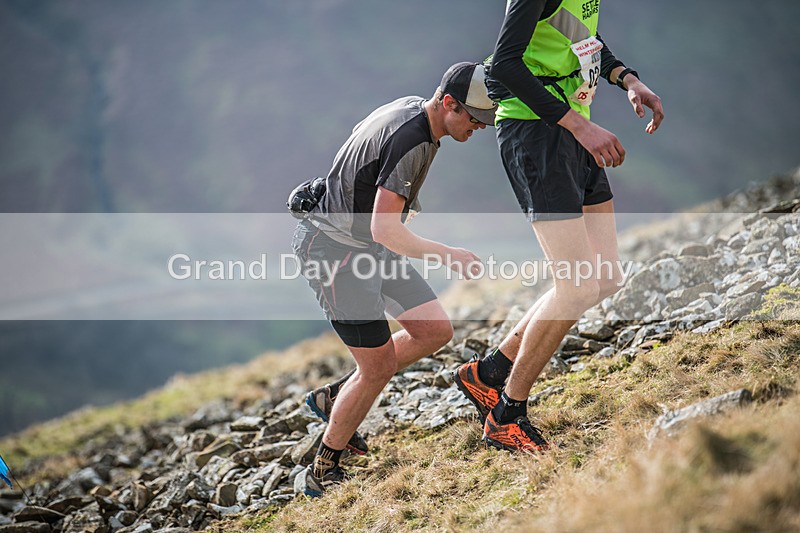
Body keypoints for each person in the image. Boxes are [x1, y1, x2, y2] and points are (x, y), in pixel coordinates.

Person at [454, 0, 664, 452]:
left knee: (603, 278)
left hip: (571, 129)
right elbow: (505, 66)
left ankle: (488, 373)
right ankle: (507, 414)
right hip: (536, 134)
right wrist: (579, 127)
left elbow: (580, 39)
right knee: (577, 285)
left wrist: (628, 79)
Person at [292, 62, 497, 496]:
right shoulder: (414, 141)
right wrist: (449, 255)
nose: (480, 127)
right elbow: (386, 229)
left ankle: (333, 398)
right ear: (448, 104)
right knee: (379, 366)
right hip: (335, 253)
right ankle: (322, 468)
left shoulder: (410, 108)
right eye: (475, 118)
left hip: (364, 246)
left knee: (434, 330)